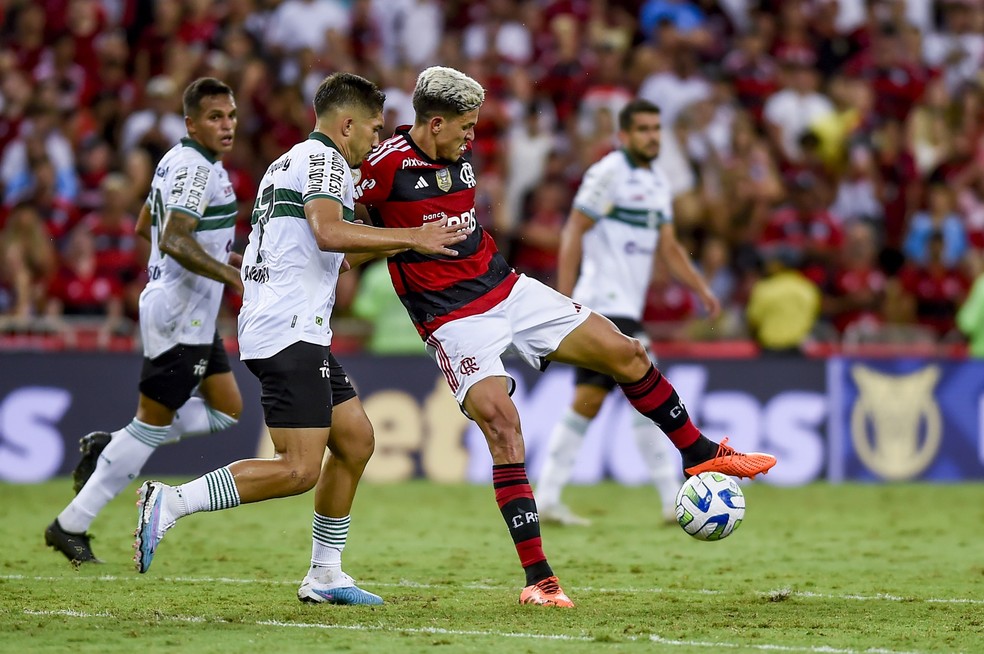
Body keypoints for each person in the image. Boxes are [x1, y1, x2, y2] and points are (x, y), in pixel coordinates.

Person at [354, 66, 777, 608]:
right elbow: (344, 234)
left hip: (507, 288)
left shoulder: (458, 160)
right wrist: (406, 239)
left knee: (627, 353)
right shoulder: (382, 166)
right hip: (452, 318)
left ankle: (699, 453)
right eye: (466, 126)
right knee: (504, 429)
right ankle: (540, 580)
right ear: (435, 123)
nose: (472, 136)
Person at [131, 73, 465, 605]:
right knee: (297, 468)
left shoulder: (291, 162)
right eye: (374, 129)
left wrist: (406, 243)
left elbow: (337, 255)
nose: (377, 140)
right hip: (289, 330)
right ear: (347, 124)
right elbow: (329, 233)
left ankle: (325, 575)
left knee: (356, 440)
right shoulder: (326, 162)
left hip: (292, 325)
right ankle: (171, 502)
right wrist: (411, 235)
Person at [45, 77, 245, 566]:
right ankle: (71, 524)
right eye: (215, 117)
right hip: (181, 312)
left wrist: (219, 258)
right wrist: (230, 276)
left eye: (231, 115)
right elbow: (173, 239)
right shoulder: (196, 168)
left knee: (226, 409)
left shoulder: (179, 160)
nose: (227, 125)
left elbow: (145, 227)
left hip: (191, 311)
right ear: (191, 123)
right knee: (150, 428)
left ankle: (111, 444)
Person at [536, 99, 721, 528]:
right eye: (643, 129)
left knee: (587, 403)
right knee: (651, 396)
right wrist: (564, 298)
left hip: (622, 308)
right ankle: (670, 498)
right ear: (623, 136)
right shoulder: (607, 173)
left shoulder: (657, 182)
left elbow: (668, 247)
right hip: (603, 304)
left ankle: (546, 497)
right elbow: (573, 230)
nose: (652, 136)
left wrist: (699, 287)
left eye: (656, 128)